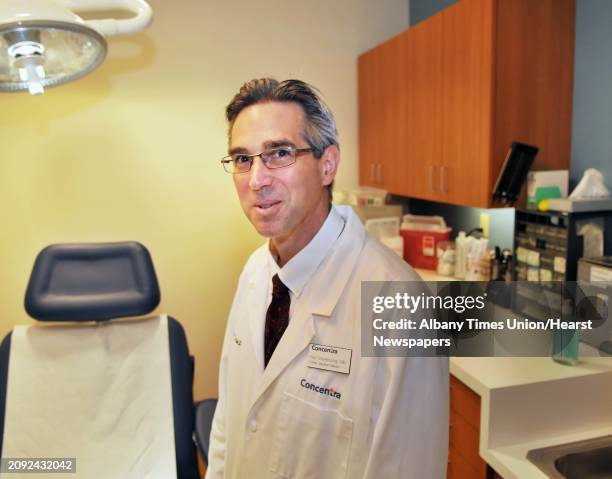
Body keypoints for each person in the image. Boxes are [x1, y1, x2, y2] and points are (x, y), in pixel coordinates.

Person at [206, 78, 448, 478]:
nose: (256, 180)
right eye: (243, 159)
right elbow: (228, 420)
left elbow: (410, 467)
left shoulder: (402, 305)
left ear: (328, 164)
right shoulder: (255, 271)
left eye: (279, 153)